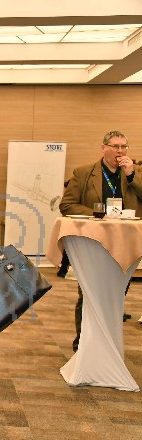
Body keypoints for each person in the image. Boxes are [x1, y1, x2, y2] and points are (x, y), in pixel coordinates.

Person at [59, 130, 142, 350]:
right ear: (104, 148)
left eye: (124, 147)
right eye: (115, 146)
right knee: (88, 293)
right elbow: (66, 205)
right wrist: (97, 214)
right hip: (93, 243)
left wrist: (132, 175)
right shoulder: (84, 173)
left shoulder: (135, 173)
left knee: (116, 295)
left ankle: (107, 343)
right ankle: (82, 343)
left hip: (123, 245)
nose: (120, 151)